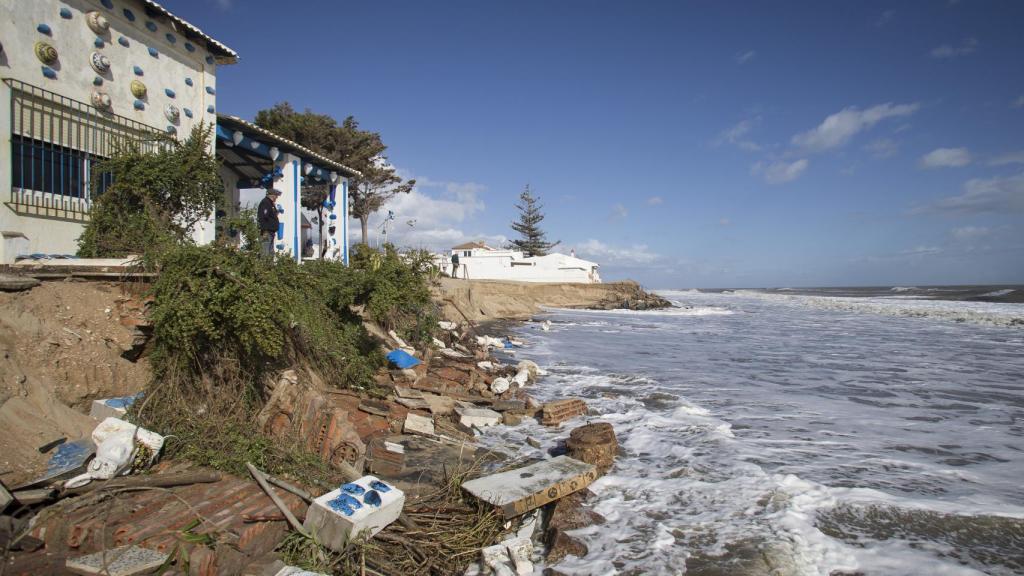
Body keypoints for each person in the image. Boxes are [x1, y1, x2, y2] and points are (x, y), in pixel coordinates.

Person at [257, 189, 281, 257]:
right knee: (265, 252)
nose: (277, 197)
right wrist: (265, 230)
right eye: (276, 196)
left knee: (270, 252)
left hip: (271, 232)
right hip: (266, 232)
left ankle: (269, 267)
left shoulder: (270, 203)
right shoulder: (265, 203)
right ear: (272, 195)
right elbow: (264, 216)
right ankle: (264, 267)